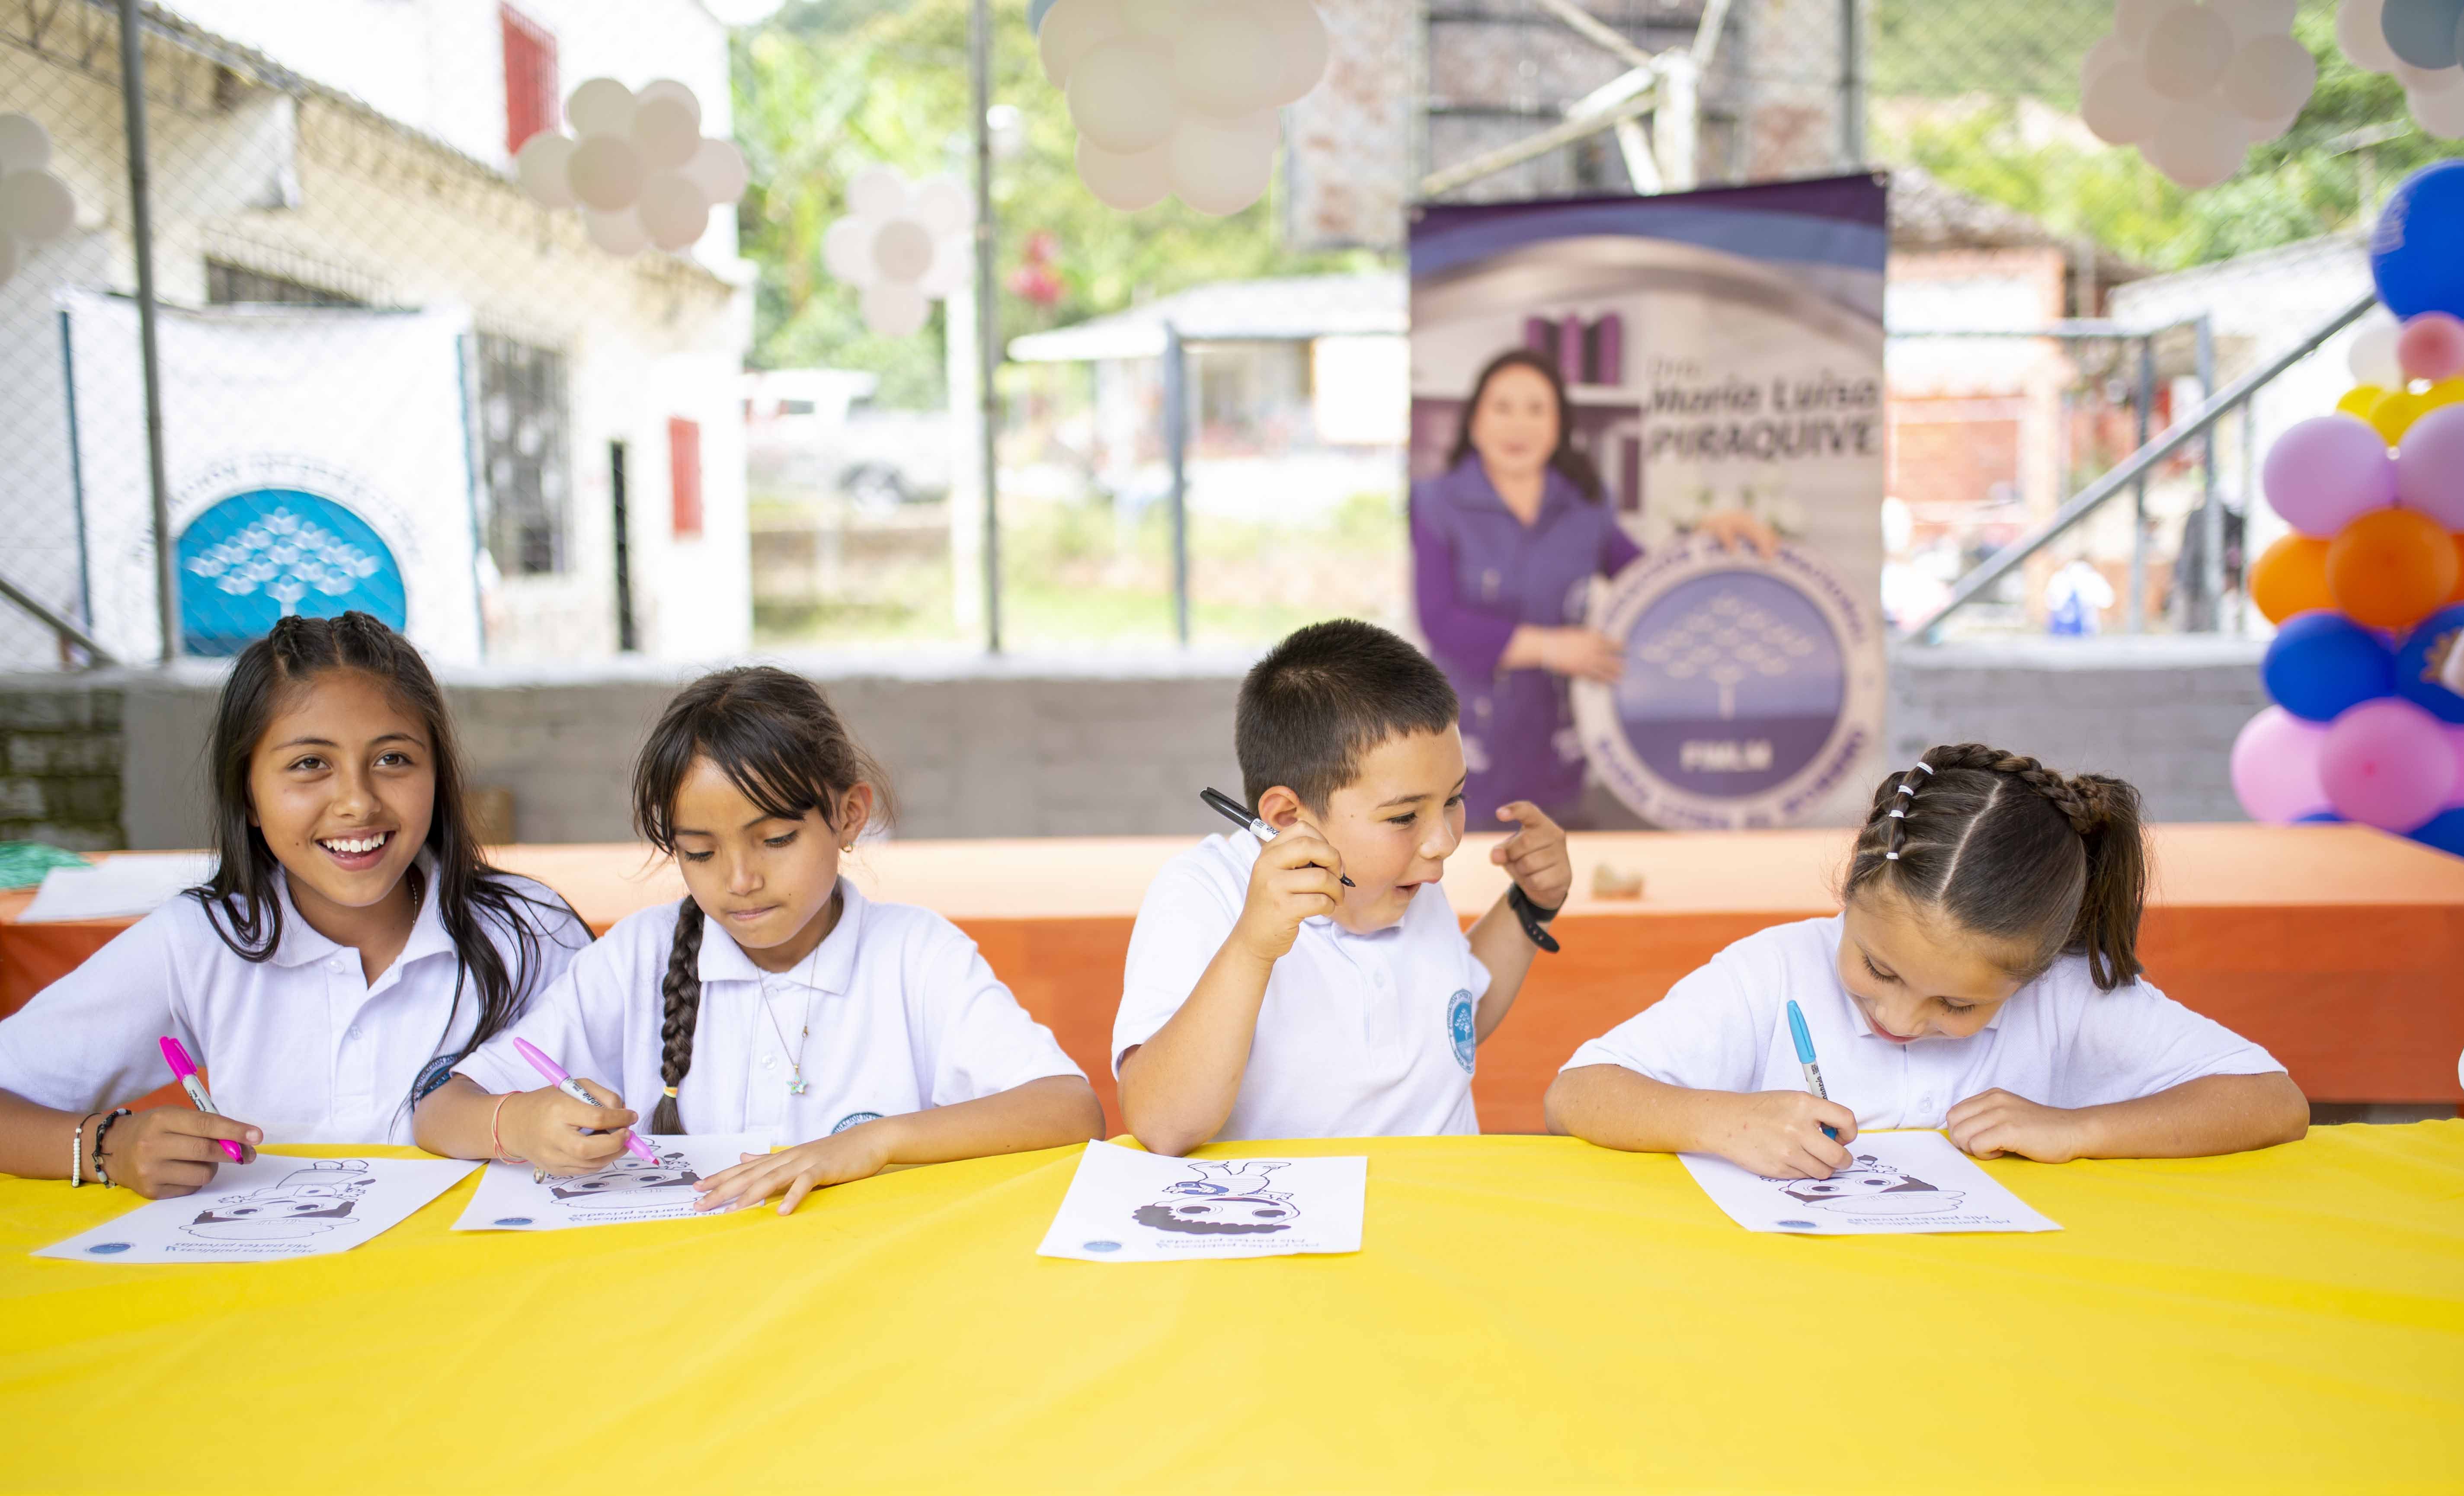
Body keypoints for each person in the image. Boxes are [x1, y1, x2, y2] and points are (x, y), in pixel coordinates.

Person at [416, 667, 1103, 1216]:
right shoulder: (640, 956)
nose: (740, 880)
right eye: (699, 852)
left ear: (848, 816)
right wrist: (521, 1122)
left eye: (775, 840)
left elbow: (1069, 1109)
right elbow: (441, 1113)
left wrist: (871, 1142)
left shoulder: (914, 955)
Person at [0, 613, 587, 1196]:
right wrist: (108, 1147)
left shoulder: (529, 931)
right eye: (310, 765)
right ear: (248, 796)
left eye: (393, 760)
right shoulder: (199, 941)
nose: (357, 802)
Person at [1545, 743, 2307, 1178]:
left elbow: (2272, 1103)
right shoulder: (1772, 971)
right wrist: (1720, 1119)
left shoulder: (2063, 995)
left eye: (1957, 1006)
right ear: (1848, 890)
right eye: (1879, 972)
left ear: (2034, 971)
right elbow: (1577, 1094)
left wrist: (2081, 1128)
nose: (1902, 1020)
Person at [1114, 620, 1574, 1156]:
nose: (1443, 841)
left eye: (1454, 798)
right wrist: (1253, 947)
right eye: (1404, 815)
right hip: (1290, 1224)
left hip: (1441, 1215)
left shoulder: (1403, 879)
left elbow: (1453, 1027)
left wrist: (1529, 904)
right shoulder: (1202, 893)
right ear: (1287, 819)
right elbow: (1163, 1125)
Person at [1411, 347, 1774, 825]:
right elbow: (1440, 621)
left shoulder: (1585, 502)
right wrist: (1550, 647)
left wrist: (1703, 538)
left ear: (1559, 425)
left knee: (1556, 879)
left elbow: (1643, 581)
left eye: (1536, 409)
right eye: (1502, 408)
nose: (1518, 425)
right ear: (1476, 423)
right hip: (1469, 744)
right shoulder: (1436, 502)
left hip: (1560, 742)